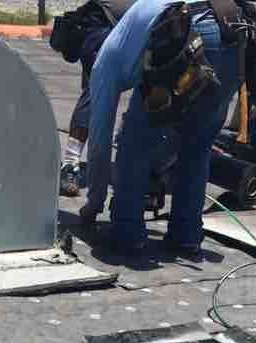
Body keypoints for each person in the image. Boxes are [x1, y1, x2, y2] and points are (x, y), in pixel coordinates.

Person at [80, 0, 239, 259]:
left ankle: (127, 233)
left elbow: (100, 138)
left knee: (134, 145)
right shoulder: (130, 32)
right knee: (197, 147)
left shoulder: (103, 64)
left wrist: (93, 204)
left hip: (187, 27)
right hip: (232, 30)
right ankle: (185, 237)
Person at [58, 0, 141, 198]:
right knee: (94, 91)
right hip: (103, 23)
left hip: (136, 25)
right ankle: (70, 165)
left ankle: (151, 165)